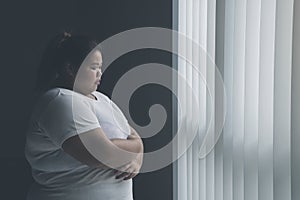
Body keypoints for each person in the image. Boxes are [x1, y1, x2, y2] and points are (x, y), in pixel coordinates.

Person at [24, 32, 143, 200]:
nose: (99, 73)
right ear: (70, 69)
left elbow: (134, 136)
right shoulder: (60, 101)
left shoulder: (102, 100)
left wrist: (135, 158)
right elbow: (101, 154)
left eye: (100, 67)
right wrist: (135, 148)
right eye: (94, 67)